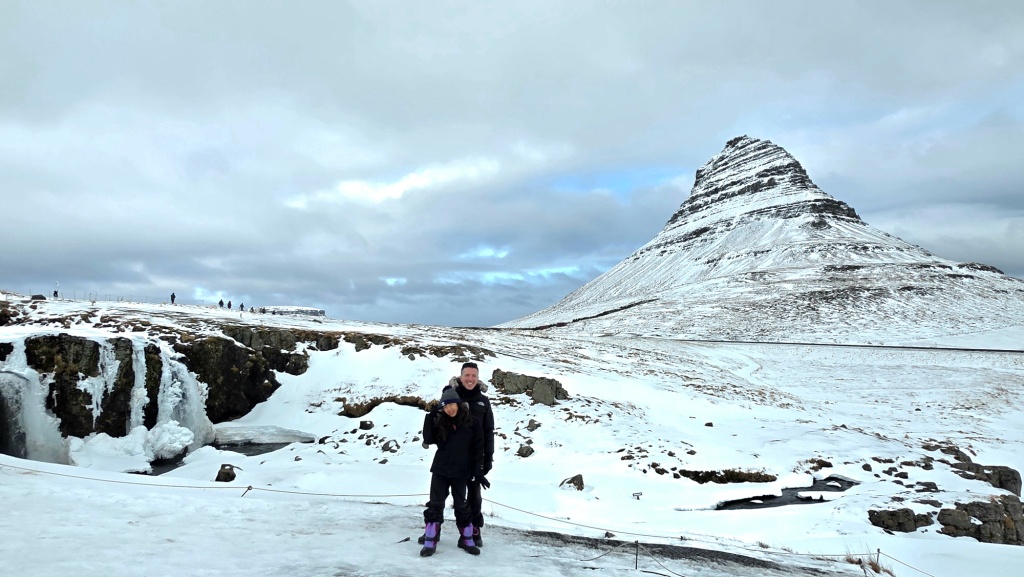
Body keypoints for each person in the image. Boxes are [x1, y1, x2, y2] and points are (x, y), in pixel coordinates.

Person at [419, 388, 485, 557]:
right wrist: (430, 416)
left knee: (461, 505)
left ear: (458, 403)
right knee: (435, 504)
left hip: (461, 472)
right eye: (445, 406)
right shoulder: (440, 421)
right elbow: (428, 439)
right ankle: (430, 540)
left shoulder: (472, 422)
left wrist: (478, 472)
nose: (449, 409)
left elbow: (478, 449)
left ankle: (466, 539)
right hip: (440, 470)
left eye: (451, 404)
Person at [446, 362, 495, 546]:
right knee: (445, 495)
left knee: (474, 496)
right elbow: (440, 422)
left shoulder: (483, 401)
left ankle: (474, 529)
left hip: (475, 458)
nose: (470, 379)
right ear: (461, 377)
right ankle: (434, 528)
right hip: (453, 457)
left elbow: (489, 431)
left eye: (474, 375)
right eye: (467, 375)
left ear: (478, 378)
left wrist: (488, 458)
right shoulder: (451, 397)